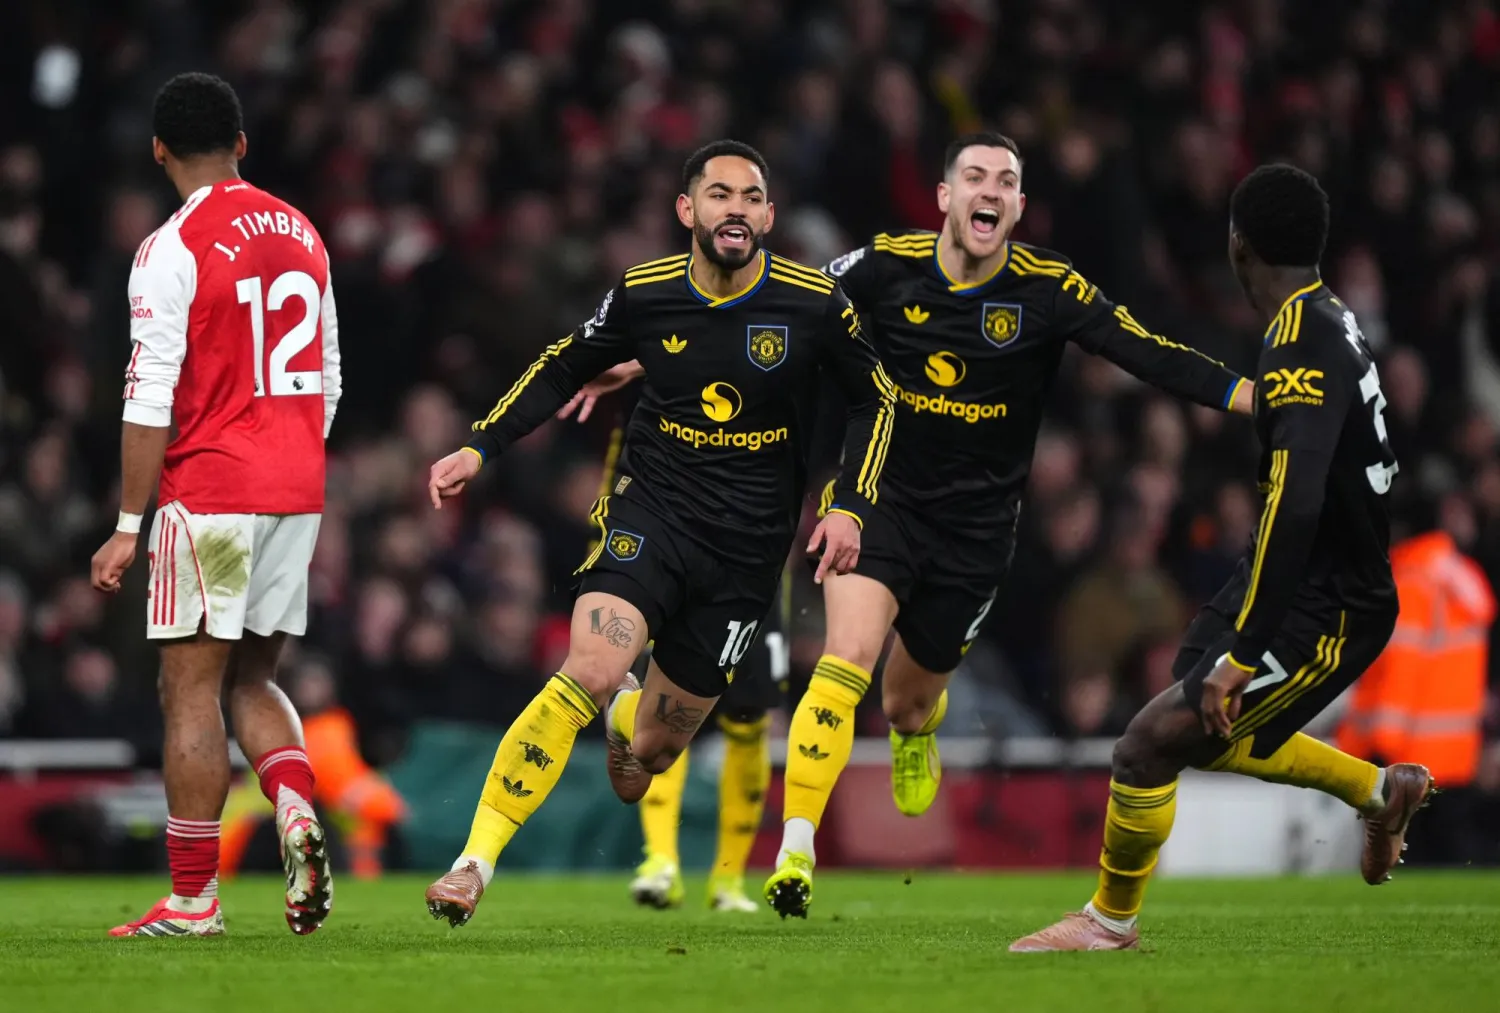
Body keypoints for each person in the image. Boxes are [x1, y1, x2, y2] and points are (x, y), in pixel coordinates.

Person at [420, 140, 895, 927]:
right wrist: (480, 447)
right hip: (653, 515)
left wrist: (849, 503)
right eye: (719, 193)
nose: (735, 208)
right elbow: (564, 363)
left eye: (751, 196)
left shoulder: (813, 302)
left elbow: (875, 397)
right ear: (687, 209)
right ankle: (474, 862)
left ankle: (625, 721)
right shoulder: (645, 291)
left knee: (650, 757)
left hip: (746, 554)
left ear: (769, 216)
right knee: (589, 667)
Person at [1010, 163, 1433, 952]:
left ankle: (1109, 921)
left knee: (1148, 742)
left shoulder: (1302, 341)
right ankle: (1380, 792)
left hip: (1330, 603)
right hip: (1292, 577)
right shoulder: (1325, 318)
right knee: (1197, 711)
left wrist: (1246, 649)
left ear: (1238, 244)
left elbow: (1297, 505)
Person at [90, 73, 342, 937]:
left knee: (188, 685)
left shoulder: (170, 246)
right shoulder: (304, 233)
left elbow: (148, 394)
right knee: (254, 676)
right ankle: (296, 805)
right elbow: (328, 379)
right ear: (241, 143)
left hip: (212, 492)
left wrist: (128, 525)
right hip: (295, 486)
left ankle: (195, 900)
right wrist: (289, 458)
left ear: (159, 150)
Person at [569, 417, 789, 914]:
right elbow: (621, 473)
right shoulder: (665, 388)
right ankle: (661, 861)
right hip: (670, 564)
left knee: (751, 719)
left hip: (756, 568)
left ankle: (729, 880)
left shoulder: (777, 388)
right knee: (664, 706)